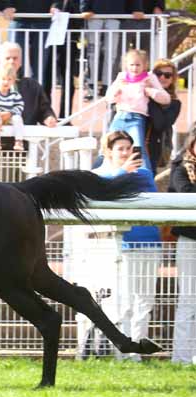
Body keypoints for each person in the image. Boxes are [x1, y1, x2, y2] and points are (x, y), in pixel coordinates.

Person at [93, 130, 161, 361]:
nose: (125, 152)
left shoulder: (144, 173)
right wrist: (122, 172)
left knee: (145, 301)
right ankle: (123, 351)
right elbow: (105, 191)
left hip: (150, 241)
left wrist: (127, 175)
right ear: (109, 152)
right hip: (123, 244)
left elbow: (148, 195)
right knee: (125, 302)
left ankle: (137, 353)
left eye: (128, 148)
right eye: (120, 149)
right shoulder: (102, 174)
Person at [0, 42, 57, 148]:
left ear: (20, 62)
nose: (11, 61)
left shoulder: (33, 86)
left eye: (15, 58)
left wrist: (49, 118)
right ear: (0, 61)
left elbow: (44, 109)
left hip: (23, 147)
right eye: (7, 58)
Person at [105, 49, 170, 171]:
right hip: (120, 116)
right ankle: (108, 175)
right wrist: (117, 90)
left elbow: (166, 98)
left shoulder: (149, 77)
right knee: (110, 146)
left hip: (137, 118)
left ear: (145, 65)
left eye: (138, 65)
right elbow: (108, 98)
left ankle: (145, 177)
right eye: (131, 65)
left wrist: (150, 91)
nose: (134, 68)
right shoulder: (121, 77)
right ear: (126, 65)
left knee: (138, 148)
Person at [169, 129, 196, 365]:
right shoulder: (180, 168)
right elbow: (186, 194)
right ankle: (181, 358)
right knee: (188, 298)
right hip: (190, 240)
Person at [80, 0, 144, 99]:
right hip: (93, 15)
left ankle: (107, 86)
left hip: (115, 15)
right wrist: (84, 8)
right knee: (92, 53)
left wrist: (137, 8)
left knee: (111, 53)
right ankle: (91, 86)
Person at [3, 0, 52, 85]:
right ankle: (14, 91)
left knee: (39, 65)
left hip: (43, 19)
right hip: (18, 19)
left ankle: (37, 92)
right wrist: (6, 5)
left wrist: (56, 6)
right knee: (14, 61)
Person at [146, 58, 181, 174]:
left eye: (167, 75)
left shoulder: (174, 103)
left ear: (172, 79)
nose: (162, 77)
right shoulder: (141, 93)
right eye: (158, 74)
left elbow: (160, 125)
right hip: (130, 146)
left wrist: (152, 97)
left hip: (152, 151)